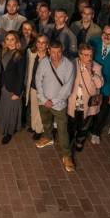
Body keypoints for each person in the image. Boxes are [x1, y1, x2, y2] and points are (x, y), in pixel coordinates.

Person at [35, 41, 76, 172]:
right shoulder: (44, 62)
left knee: (63, 130)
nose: (56, 55)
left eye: (58, 52)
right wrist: (43, 98)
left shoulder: (69, 65)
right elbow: (38, 80)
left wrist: (53, 101)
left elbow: (67, 88)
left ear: (62, 50)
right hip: (44, 101)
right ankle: (48, 137)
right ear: (48, 51)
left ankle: (67, 156)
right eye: (53, 52)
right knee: (46, 122)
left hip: (59, 104)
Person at [67, 43, 104, 155]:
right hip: (73, 101)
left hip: (87, 103)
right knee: (71, 123)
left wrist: (91, 72)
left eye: (90, 55)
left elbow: (99, 85)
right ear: (80, 54)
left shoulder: (96, 67)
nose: (89, 58)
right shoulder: (72, 63)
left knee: (84, 124)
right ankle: (69, 140)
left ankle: (80, 140)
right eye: (86, 55)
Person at [0, 31, 26, 145]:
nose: (9, 42)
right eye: (7, 39)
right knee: (5, 109)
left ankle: (9, 132)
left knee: (12, 111)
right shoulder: (6, 52)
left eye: (12, 39)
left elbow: (21, 75)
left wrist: (18, 92)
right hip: (5, 86)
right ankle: (5, 128)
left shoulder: (19, 55)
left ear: (17, 41)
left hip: (14, 89)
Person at [24, 36, 48, 140]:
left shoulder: (50, 57)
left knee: (40, 110)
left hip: (44, 89)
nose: (40, 45)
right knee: (33, 108)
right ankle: (34, 126)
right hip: (33, 86)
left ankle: (39, 130)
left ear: (47, 45)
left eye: (43, 43)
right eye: (38, 42)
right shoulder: (31, 53)